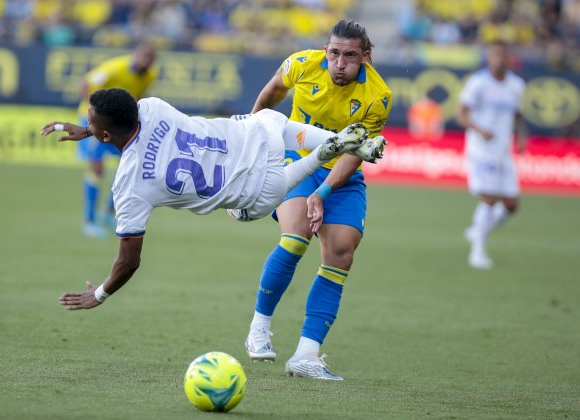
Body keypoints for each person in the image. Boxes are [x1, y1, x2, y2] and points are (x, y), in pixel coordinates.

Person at [41, 88, 388, 312]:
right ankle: (338, 141)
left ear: (105, 134)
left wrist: (98, 294)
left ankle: (319, 156)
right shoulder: (151, 107)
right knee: (275, 125)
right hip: (254, 133)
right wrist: (89, 128)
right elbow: (121, 114)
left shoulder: (129, 186)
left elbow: (128, 262)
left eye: (90, 122)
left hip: (254, 189)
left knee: (246, 210)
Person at [243, 20, 392, 381]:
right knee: (295, 236)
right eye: (334, 53)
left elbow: (355, 153)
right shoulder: (300, 64)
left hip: (340, 174)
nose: (340, 62)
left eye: (350, 56)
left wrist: (322, 193)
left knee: (341, 253)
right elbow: (270, 95)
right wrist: (251, 140)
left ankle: (307, 355)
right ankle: (259, 327)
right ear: (326, 50)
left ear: (366, 57)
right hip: (295, 161)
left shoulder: (379, 96)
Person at [457, 41, 528, 270]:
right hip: (481, 149)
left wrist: (522, 137)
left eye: (502, 55)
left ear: (509, 58)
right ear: (489, 58)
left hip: (503, 151)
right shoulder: (478, 83)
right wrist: (480, 130)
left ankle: (479, 230)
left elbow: (517, 115)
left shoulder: (516, 85)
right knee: (489, 198)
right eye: (493, 55)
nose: (497, 60)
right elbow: (461, 115)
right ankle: (477, 250)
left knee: (511, 205)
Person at [77, 43, 158, 238]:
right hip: (95, 121)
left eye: (149, 58)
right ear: (136, 55)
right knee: (96, 168)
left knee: (129, 165)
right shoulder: (115, 68)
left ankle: (107, 213)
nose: (145, 61)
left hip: (118, 124)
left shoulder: (149, 75)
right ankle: (89, 220)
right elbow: (85, 84)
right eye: (143, 56)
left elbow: (139, 96)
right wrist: (96, 113)